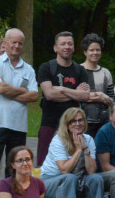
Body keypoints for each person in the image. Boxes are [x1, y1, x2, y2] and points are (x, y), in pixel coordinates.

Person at [0, 28, 38, 198]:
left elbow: (34, 95)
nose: (16, 46)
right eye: (13, 42)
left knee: (14, 165)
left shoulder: (28, 69)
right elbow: (0, 87)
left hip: (18, 124)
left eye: (20, 43)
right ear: (5, 44)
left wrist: (9, 90)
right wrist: (22, 91)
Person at [40, 107, 105, 198]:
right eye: (73, 121)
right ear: (67, 124)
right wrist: (78, 149)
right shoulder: (58, 140)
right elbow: (64, 170)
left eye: (80, 120)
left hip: (76, 182)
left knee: (96, 178)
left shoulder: (88, 139)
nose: (77, 124)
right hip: (49, 181)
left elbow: (91, 171)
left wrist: (85, 148)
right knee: (69, 177)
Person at [35, 31, 90, 167]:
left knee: (73, 163)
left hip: (74, 126)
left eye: (70, 44)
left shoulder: (80, 70)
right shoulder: (46, 68)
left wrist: (63, 89)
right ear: (55, 48)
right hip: (49, 123)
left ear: (73, 47)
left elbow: (85, 96)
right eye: (63, 44)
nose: (67, 47)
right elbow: (49, 95)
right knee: (43, 164)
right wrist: (75, 93)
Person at [80, 33, 114, 137]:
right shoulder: (78, 70)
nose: (95, 53)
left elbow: (112, 99)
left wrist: (103, 98)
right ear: (85, 52)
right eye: (91, 50)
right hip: (82, 122)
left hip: (104, 124)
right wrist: (100, 97)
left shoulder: (105, 73)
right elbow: (75, 97)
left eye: (98, 50)